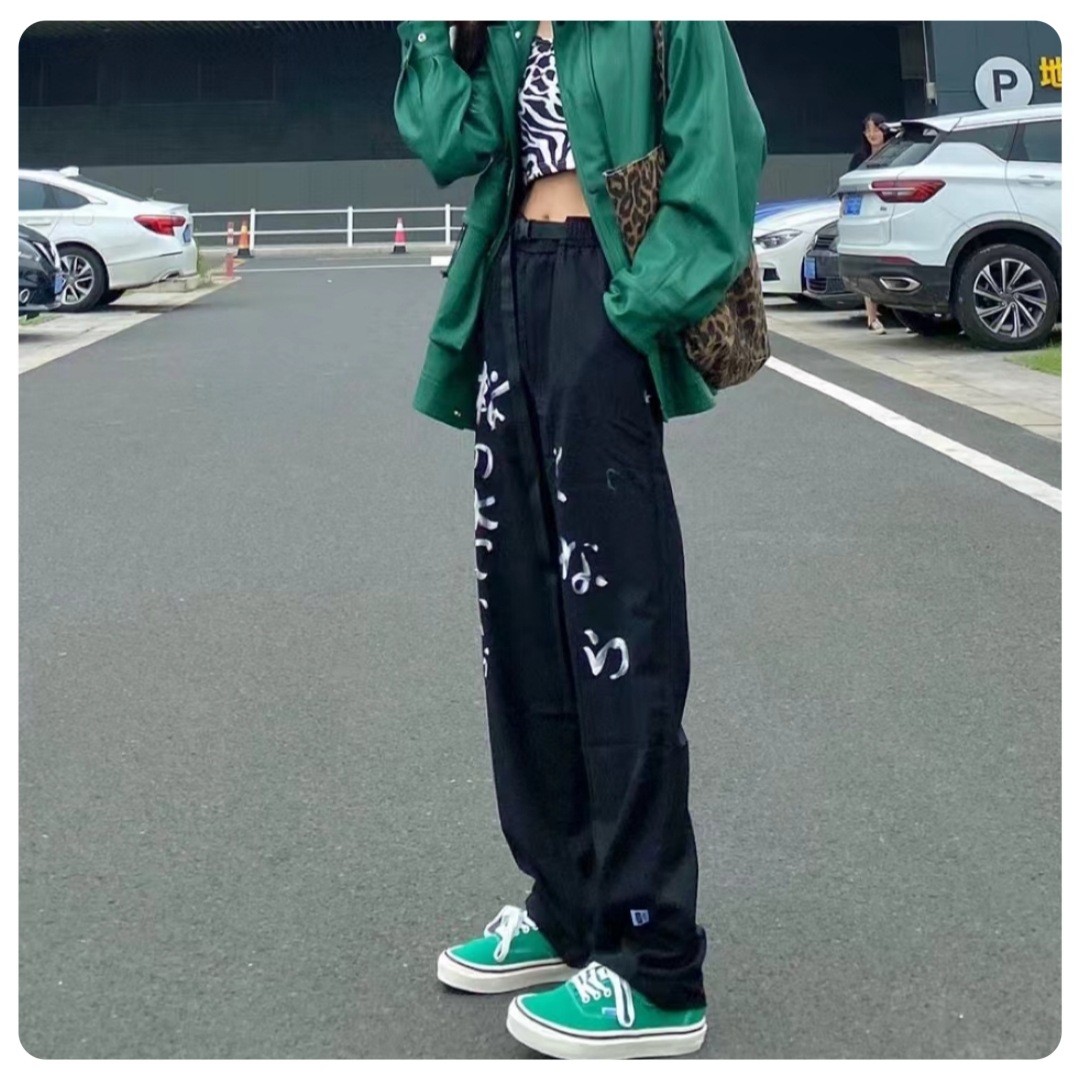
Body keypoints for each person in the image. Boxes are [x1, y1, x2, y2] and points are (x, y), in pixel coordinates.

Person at [395, 20, 765, 1060]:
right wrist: (435, 30)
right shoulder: (511, 24)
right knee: (521, 619)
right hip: (511, 288)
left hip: (604, 298)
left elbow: (720, 162)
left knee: (618, 627)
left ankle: (656, 963)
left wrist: (632, 312)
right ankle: (566, 907)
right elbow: (450, 142)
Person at [849, 112, 891, 334]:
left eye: (876, 129)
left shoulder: (896, 154)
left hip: (890, 211)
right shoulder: (860, 158)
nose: (872, 134)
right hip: (866, 213)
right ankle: (872, 317)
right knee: (869, 264)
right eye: (868, 130)